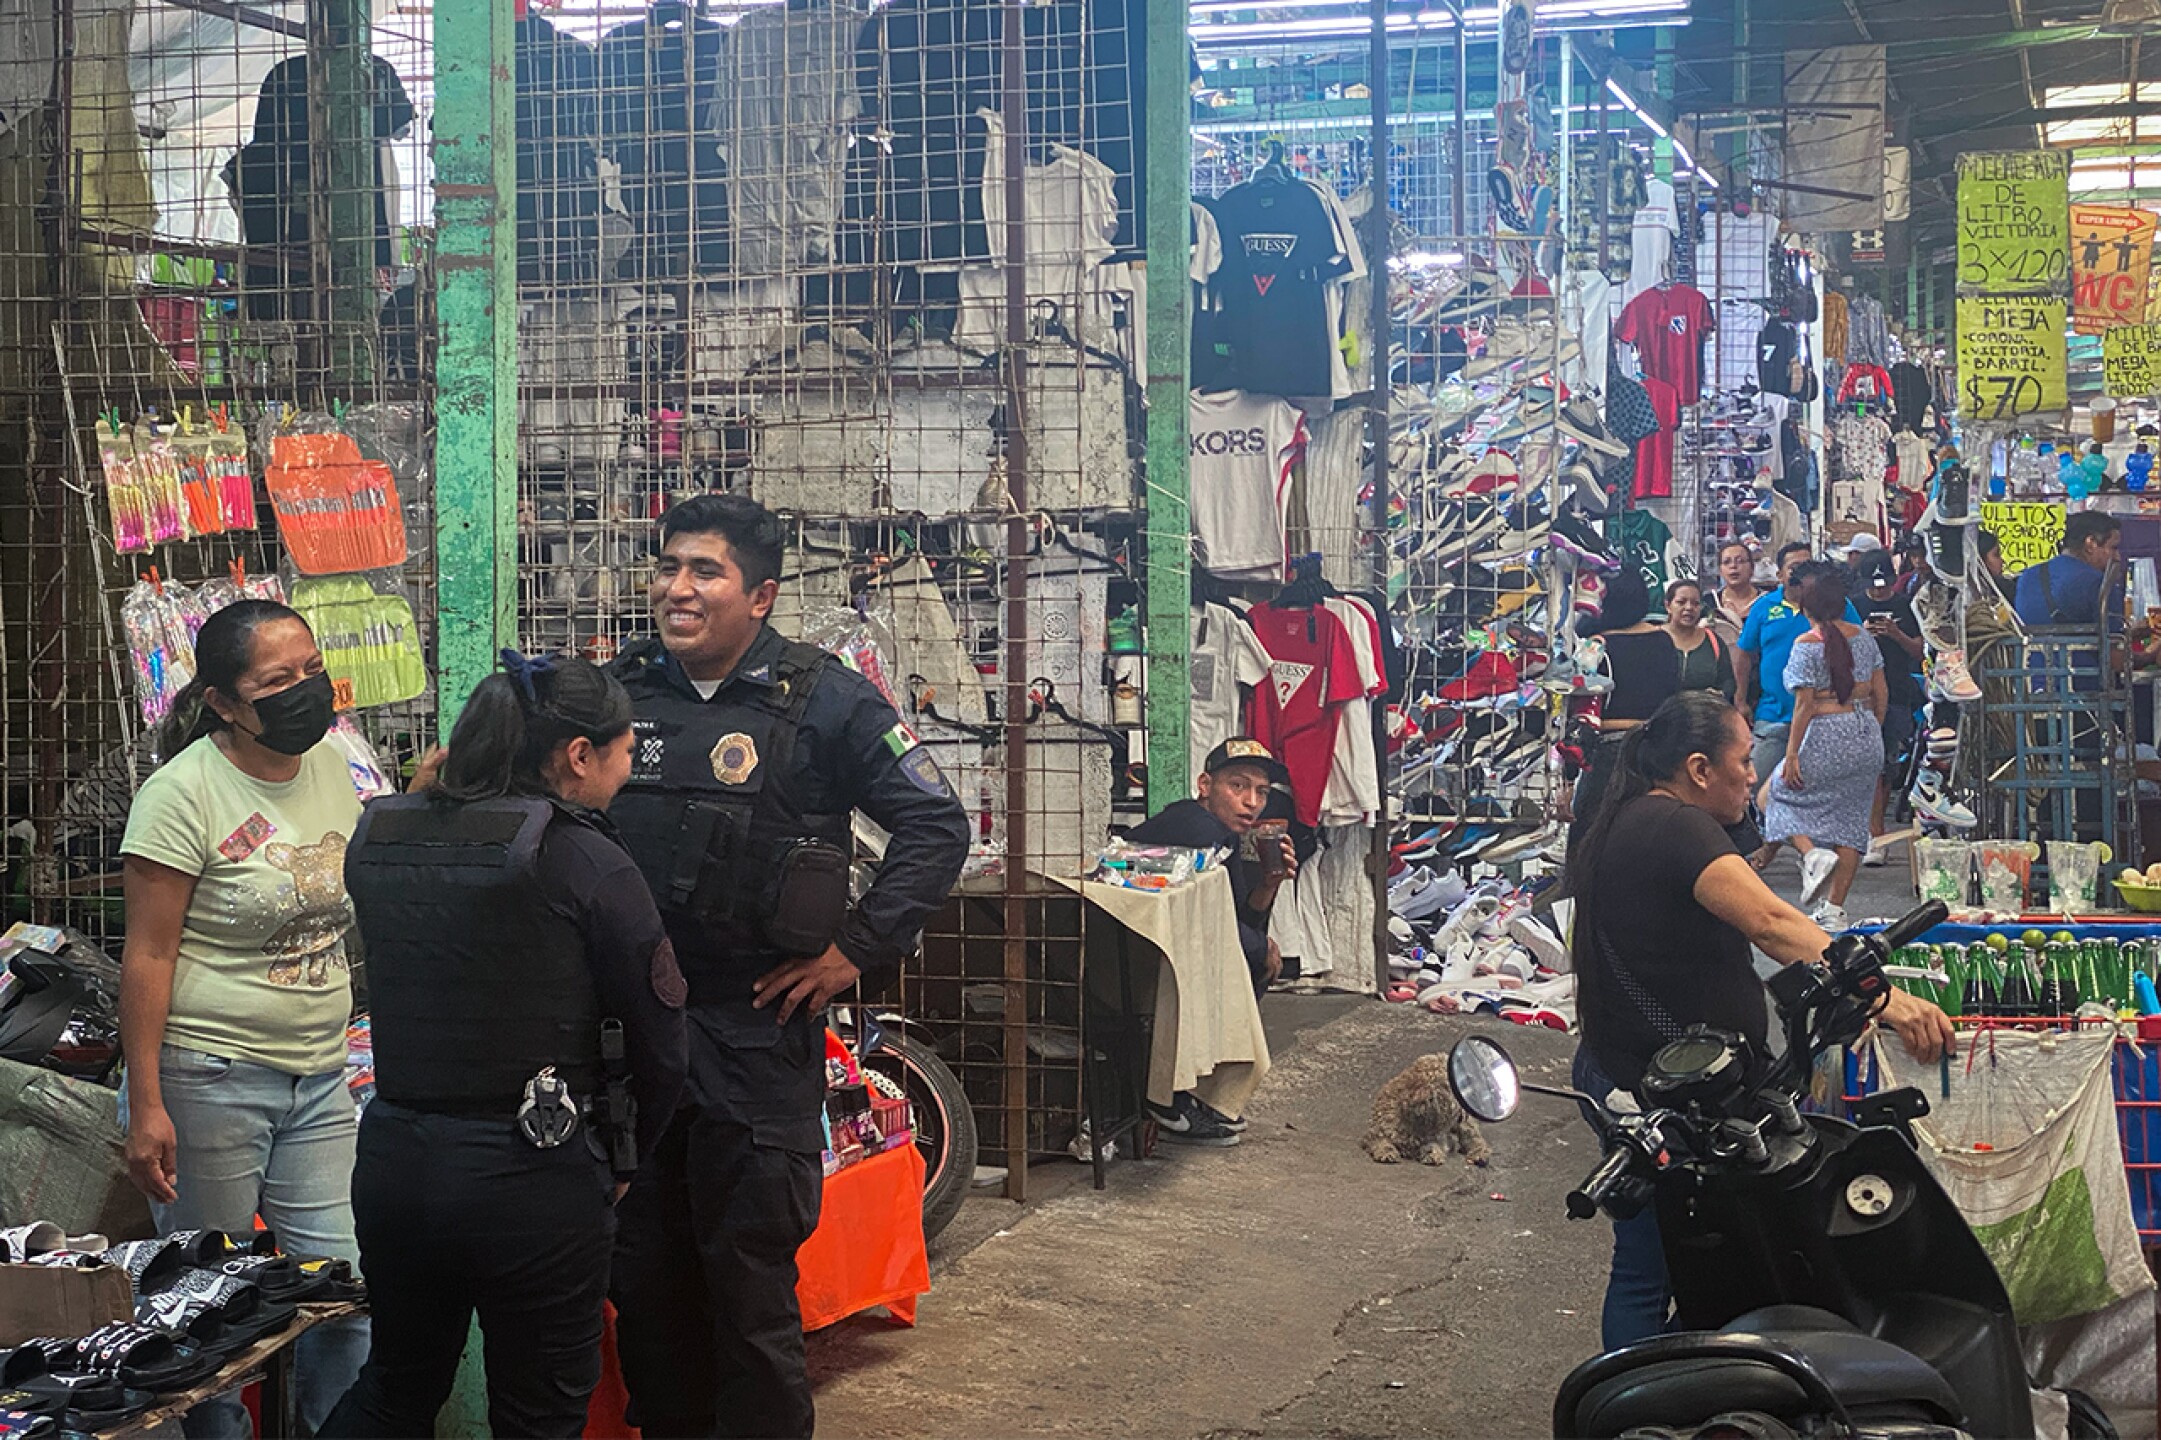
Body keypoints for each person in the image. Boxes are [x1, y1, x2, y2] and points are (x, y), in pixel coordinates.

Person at [607, 494, 971, 1439]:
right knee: (645, 1278)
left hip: (751, 1032)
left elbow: (934, 826)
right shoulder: (620, 693)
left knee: (749, 1286)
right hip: (632, 1036)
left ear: (759, 595)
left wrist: (856, 949)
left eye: (705, 573)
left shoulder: (826, 700)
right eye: (668, 567)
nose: (677, 590)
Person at [323, 653, 688, 1438]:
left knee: (394, 1388)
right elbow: (663, 1045)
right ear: (578, 756)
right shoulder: (586, 858)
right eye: (623, 752)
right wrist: (620, 1164)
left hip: (395, 1162)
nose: (628, 771)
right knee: (539, 1414)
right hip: (532, 1174)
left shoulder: (377, 833)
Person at [1564, 689, 1954, 1350]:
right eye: (1743, 760)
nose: (1754, 774)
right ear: (1697, 769)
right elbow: (1772, 924)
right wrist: (1886, 1001)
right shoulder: (1675, 828)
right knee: (1657, 1269)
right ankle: (1638, 1402)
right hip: (1660, 1094)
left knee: (1663, 1264)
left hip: (1636, 1073)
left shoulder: (1630, 818)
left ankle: (1666, 1395)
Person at [117, 600, 367, 1437]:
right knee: (211, 1315)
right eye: (276, 681)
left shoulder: (330, 765)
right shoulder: (180, 794)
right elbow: (147, 957)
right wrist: (148, 1103)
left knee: (346, 1294)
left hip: (319, 1077)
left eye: (311, 670)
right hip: (208, 1076)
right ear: (224, 701)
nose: (306, 692)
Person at [1122, 737, 1297, 1145]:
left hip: (1167, 948)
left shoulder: (1226, 834)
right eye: (1238, 786)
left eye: (1262, 792)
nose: (1251, 802)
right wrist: (1261, 947)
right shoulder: (1197, 827)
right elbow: (1219, 929)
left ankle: (1193, 1089)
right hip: (1129, 954)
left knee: (1253, 957)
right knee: (1253, 958)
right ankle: (1169, 1097)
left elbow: (1232, 915)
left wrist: (1270, 883)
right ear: (1205, 786)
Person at [1763, 563, 1888, 932]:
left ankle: (1811, 853)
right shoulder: (1865, 639)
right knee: (1850, 823)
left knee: (1772, 797)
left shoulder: (1806, 645)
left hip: (1822, 733)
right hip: (1863, 732)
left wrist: (1791, 753)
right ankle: (1834, 908)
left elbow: (1804, 705)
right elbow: (1881, 691)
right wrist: (1872, 728)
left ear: (1805, 608)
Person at [1735, 542, 1861, 864]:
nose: (1800, 574)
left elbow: (1861, 650)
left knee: (1807, 792)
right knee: (1756, 786)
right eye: (1793, 567)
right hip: (1773, 714)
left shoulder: (1838, 607)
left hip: (1823, 720)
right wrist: (1739, 699)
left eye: (1807, 567)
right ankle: (1796, 848)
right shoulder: (1765, 607)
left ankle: (1795, 850)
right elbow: (1745, 655)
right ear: (1780, 573)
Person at [1567, 568, 1677, 847]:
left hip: (1611, 745)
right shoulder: (1665, 640)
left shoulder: (1598, 646)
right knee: (1646, 832)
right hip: (1657, 744)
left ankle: (1585, 888)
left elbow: (1580, 706)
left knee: (1588, 830)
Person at [1859, 554, 1925, 862]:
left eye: (1884, 586)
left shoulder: (1905, 606)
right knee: (1862, 766)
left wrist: (1896, 634)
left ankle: (1876, 833)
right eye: (1874, 588)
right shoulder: (1853, 605)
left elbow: (1920, 648)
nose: (1879, 592)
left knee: (1884, 766)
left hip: (1896, 692)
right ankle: (1865, 832)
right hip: (1860, 695)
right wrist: (1861, 633)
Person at [1664, 579, 1735, 702]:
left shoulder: (1713, 641)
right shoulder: (1654, 638)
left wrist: (1720, 693)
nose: (1689, 608)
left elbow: (1728, 680)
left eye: (1695, 604)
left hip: (1703, 713)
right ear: (1668, 606)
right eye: (1681, 602)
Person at [1709, 540, 1762, 643]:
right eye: (1726, 562)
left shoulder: (1767, 602)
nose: (1733, 566)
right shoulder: (1709, 602)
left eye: (1740, 561)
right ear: (1720, 570)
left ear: (1752, 568)